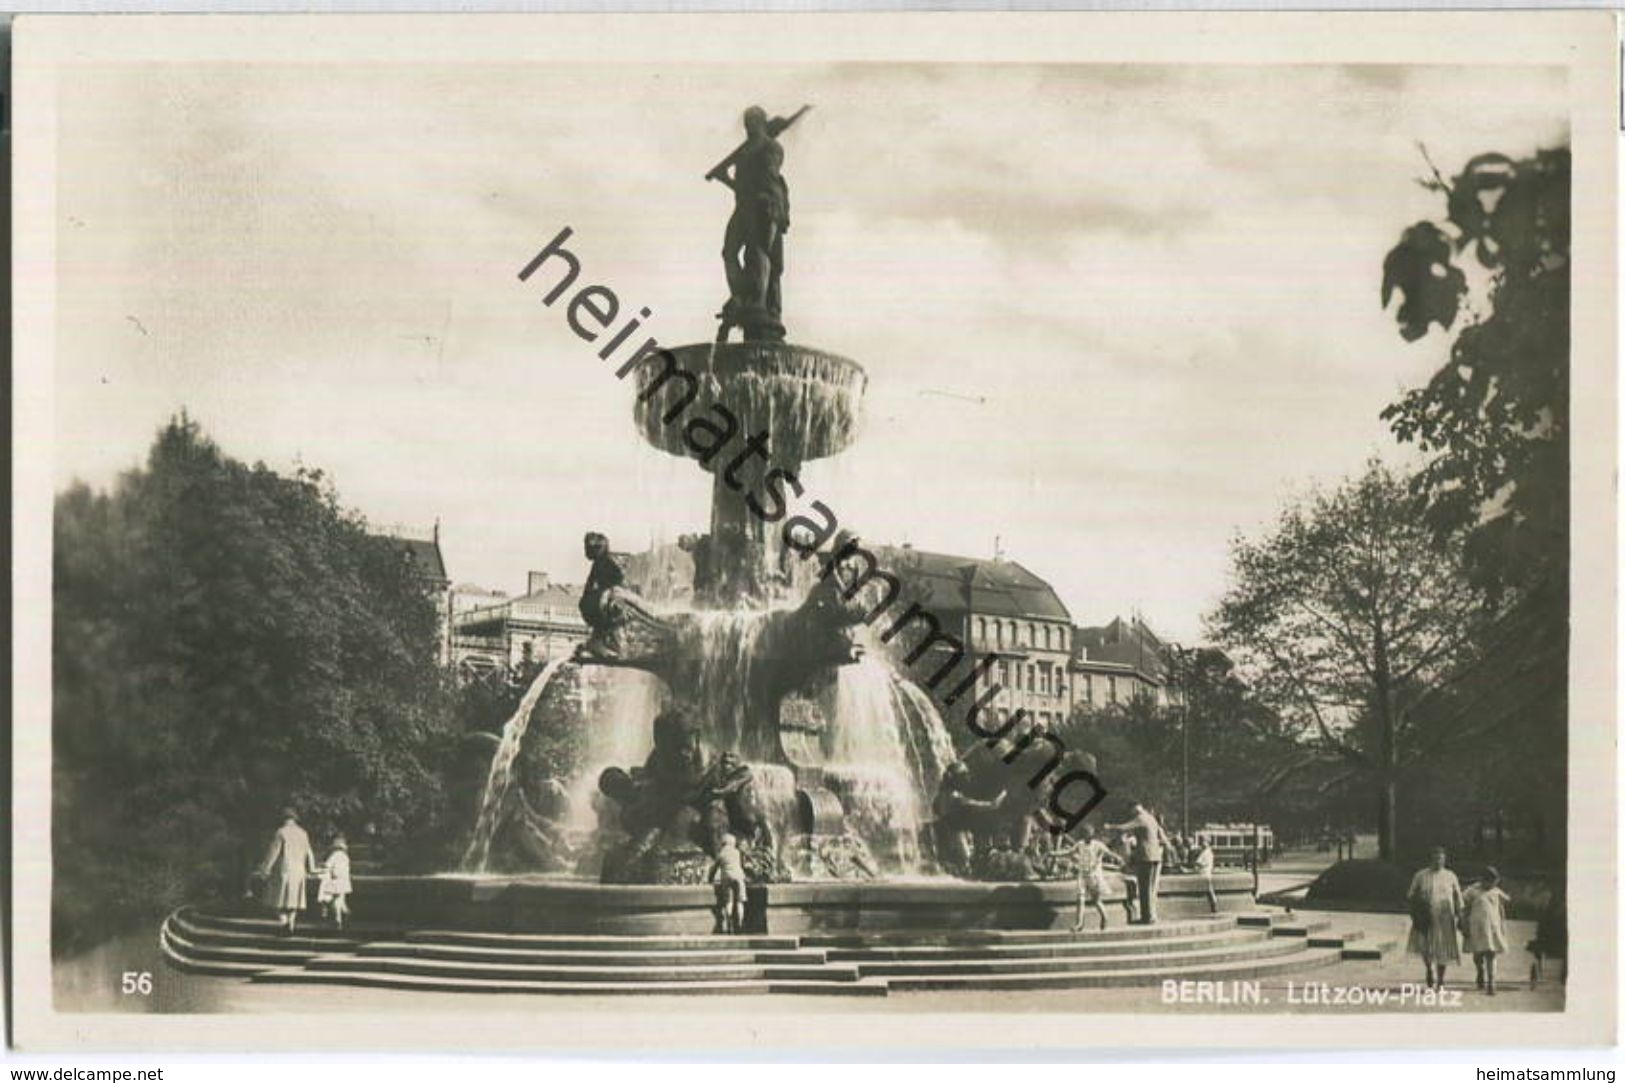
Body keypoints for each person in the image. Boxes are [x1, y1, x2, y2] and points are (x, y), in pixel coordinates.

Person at [1406, 846, 1464, 989]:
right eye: (1435, 858)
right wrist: (1418, 907)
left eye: (1441, 858)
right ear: (1430, 859)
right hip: (1425, 918)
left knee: (1443, 949)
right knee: (1426, 947)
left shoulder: (1451, 876)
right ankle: (1429, 969)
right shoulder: (1421, 875)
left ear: (1444, 860)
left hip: (1445, 918)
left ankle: (1441, 980)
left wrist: (1460, 915)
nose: (1438, 861)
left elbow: (1458, 898)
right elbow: (1411, 895)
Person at [1109, 802, 1172, 925]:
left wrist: (1110, 826)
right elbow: (1161, 835)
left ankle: (1146, 917)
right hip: (1155, 857)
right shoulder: (1152, 818)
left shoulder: (1141, 818)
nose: (1131, 814)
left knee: (1144, 888)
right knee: (1152, 888)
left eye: (1131, 811)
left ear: (1135, 808)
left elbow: (1124, 827)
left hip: (1145, 857)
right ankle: (1152, 915)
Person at [258, 808, 318, 935]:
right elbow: (309, 853)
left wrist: (265, 868)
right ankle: (291, 924)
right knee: (294, 901)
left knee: (276, 899)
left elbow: (274, 852)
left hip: (284, 869)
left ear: (284, 818)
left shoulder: (281, 832)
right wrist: (312, 868)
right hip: (299, 870)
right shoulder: (303, 833)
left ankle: (284, 922)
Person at [1461, 866, 1511, 995]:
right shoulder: (1472, 891)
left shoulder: (1496, 891)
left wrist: (1502, 924)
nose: (1491, 884)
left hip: (1492, 927)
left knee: (1491, 953)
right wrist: (1463, 922)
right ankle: (1480, 970)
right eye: (1488, 881)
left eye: (1494, 882)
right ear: (1482, 880)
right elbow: (1463, 905)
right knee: (1478, 954)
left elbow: (1506, 902)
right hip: (1477, 928)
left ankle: (1491, 983)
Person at [1067, 825, 1113, 932]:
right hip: (1082, 875)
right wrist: (1055, 854)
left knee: (1096, 900)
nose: (1086, 837)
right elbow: (1070, 852)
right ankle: (1079, 923)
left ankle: (1105, 916)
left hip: (1094, 876)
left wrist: (1118, 858)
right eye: (1084, 834)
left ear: (1092, 835)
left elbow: (1109, 853)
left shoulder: (1098, 845)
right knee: (1080, 899)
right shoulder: (1080, 844)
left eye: (1088, 834)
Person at [708, 832, 749, 935]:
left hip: (726, 879)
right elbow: (743, 865)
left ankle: (729, 922)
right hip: (739, 878)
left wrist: (710, 879)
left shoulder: (721, 854)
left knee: (728, 901)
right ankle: (740, 923)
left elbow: (713, 869)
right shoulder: (737, 852)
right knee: (740, 901)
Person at [317, 834, 353, 930]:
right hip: (344, 880)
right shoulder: (345, 856)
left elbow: (328, 866)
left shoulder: (334, 855)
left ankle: (338, 917)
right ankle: (345, 914)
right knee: (340, 899)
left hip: (335, 879)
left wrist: (321, 869)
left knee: (334, 900)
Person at [1191, 835, 1220, 914]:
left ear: (1208, 842)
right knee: (1209, 890)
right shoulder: (1205, 852)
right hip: (1204, 873)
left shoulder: (1207, 852)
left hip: (1205, 874)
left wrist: (1195, 864)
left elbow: (1200, 863)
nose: (1201, 843)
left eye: (1203, 841)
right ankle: (1213, 904)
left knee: (1209, 890)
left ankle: (1214, 905)